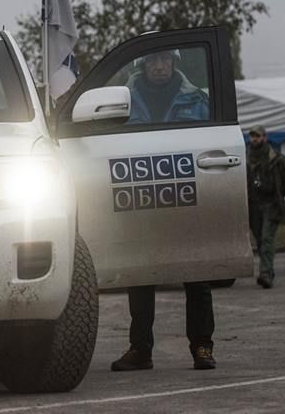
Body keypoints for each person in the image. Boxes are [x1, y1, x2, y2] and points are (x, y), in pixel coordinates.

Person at [111, 49, 217, 372]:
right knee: (140, 274)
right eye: (153, 61)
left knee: (196, 274)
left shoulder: (197, 100)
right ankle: (140, 348)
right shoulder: (122, 103)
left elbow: (213, 144)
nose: (160, 66)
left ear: (174, 64)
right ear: (142, 65)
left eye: (166, 61)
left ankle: (202, 346)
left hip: (185, 197)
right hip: (139, 198)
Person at [246, 125, 285, 289]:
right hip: (253, 205)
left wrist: (278, 197)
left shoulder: (276, 158)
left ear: (264, 137)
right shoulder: (246, 158)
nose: (254, 139)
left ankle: (265, 274)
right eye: (252, 136)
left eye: (257, 136)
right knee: (260, 240)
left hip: (270, 204)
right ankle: (268, 270)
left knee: (267, 238)